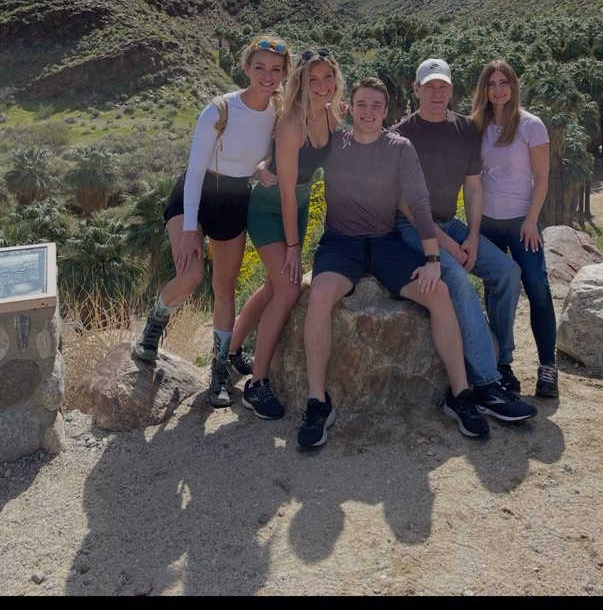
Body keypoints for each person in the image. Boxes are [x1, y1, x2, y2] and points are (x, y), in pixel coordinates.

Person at [297, 76, 490, 449]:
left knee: (438, 293)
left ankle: (460, 395)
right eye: (361, 104)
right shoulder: (333, 144)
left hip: (385, 242)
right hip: (341, 243)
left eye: (376, 106)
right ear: (348, 108)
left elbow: (418, 204)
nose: (368, 112)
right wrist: (265, 168)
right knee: (320, 295)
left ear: (386, 112)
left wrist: (433, 258)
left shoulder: (400, 148)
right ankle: (317, 403)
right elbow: (294, 161)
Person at [132, 34, 292, 408]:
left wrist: (263, 167)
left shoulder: (279, 113)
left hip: (236, 198)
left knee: (225, 288)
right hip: (195, 195)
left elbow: (264, 154)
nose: (267, 76)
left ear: (284, 73)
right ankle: (155, 324)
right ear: (246, 68)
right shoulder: (219, 109)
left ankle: (219, 373)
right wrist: (190, 231)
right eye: (260, 67)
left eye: (275, 70)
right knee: (189, 277)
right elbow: (194, 170)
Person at [392, 58, 537, 421]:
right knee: (455, 277)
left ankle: (502, 362)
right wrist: (448, 245)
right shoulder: (400, 135)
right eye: (429, 86)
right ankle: (486, 386)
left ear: (452, 90)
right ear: (416, 90)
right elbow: (406, 205)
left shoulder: (464, 130)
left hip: (451, 223)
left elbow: (473, 187)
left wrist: (471, 236)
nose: (437, 93)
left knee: (506, 272)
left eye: (443, 86)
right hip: (411, 228)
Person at [228, 47, 345, 421]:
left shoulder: (330, 115)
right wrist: (294, 247)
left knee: (274, 285)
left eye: (328, 77)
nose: (322, 85)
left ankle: (231, 352)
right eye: (313, 79)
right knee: (290, 287)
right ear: (301, 82)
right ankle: (256, 384)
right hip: (270, 207)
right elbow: (283, 192)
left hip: (299, 202)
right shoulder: (292, 123)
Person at [470, 59, 559, 399]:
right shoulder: (477, 124)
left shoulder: (531, 126)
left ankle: (547, 366)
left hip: (523, 223)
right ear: (484, 89)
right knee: (496, 290)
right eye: (491, 84)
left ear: (513, 85)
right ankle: (499, 363)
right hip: (488, 221)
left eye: (503, 82)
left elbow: (542, 177)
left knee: (537, 287)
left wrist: (531, 220)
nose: (498, 89)